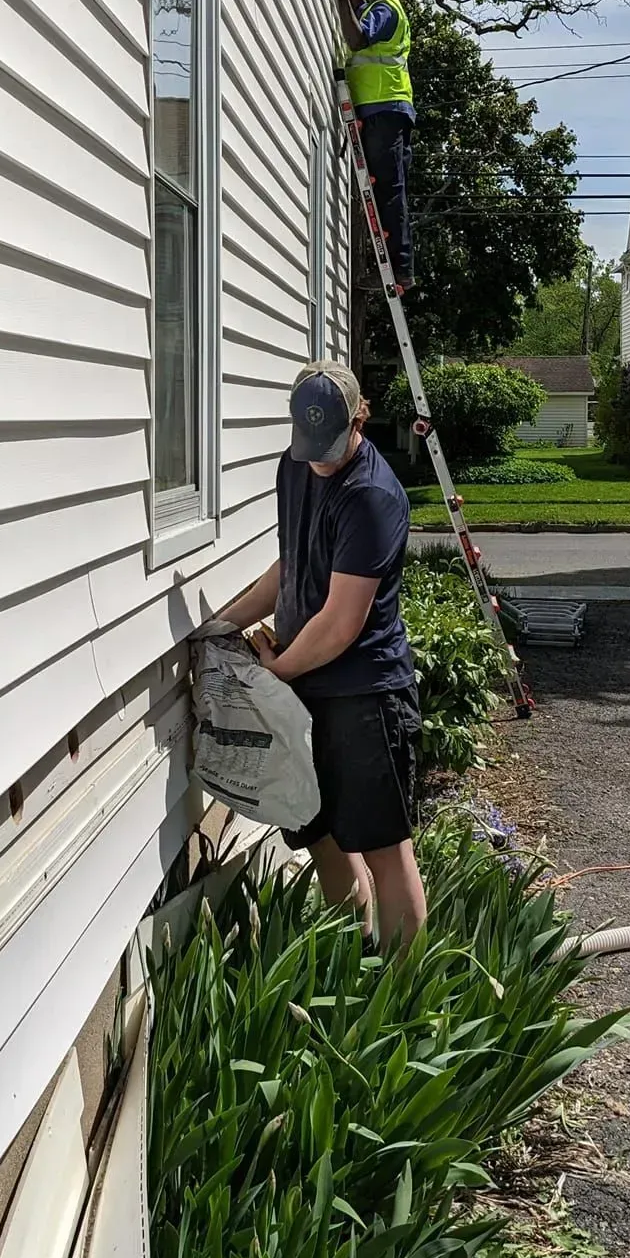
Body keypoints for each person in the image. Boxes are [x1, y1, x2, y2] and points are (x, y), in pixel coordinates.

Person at [219, 360, 428, 950]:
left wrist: (272, 672)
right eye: (308, 445)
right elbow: (294, 564)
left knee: (385, 848)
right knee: (320, 833)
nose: (319, 458)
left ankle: (401, 994)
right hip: (303, 683)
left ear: (360, 417)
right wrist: (225, 621)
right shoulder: (295, 466)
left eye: (330, 444)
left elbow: (339, 623)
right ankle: (350, 953)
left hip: (365, 693)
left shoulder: (371, 496)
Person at [333, 0, 414, 293]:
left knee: (388, 191)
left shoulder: (386, 9)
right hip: (381, 108)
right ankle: (395, 270)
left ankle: (399, 271)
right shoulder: (373, 7)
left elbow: (357, 38)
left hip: (385, 107)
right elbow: (358, 2)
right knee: (383, 189)